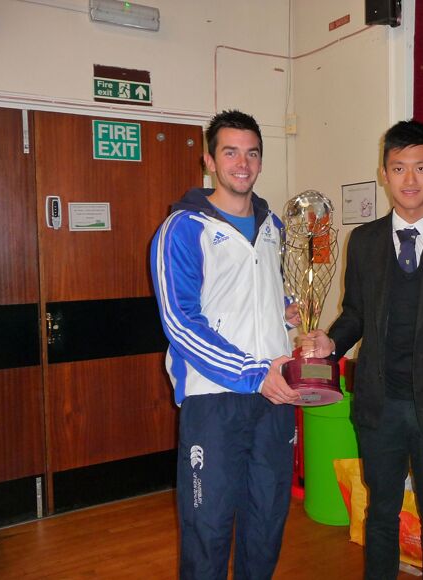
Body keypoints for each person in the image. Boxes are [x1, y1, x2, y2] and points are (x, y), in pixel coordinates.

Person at [302, 120, 423, 579]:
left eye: (420, 167)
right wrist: (331, 341)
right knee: (381, 512)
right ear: (384, 173)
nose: (409, 179)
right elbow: (355, 314)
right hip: (380, 404)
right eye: (399, 167)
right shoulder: (364, 241)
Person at [150, 109, 301, 580]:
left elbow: (261, 292)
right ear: (210, 161)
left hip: (274, 398)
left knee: (266, 522)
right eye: (230, 152)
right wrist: (252, 374)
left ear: (261, 161)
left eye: (252, 153)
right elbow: (181, 321)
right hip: (214, 400)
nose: (242, 163)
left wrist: (289, 312)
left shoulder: (274, 226)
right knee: (208, 528)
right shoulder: (183, 228)